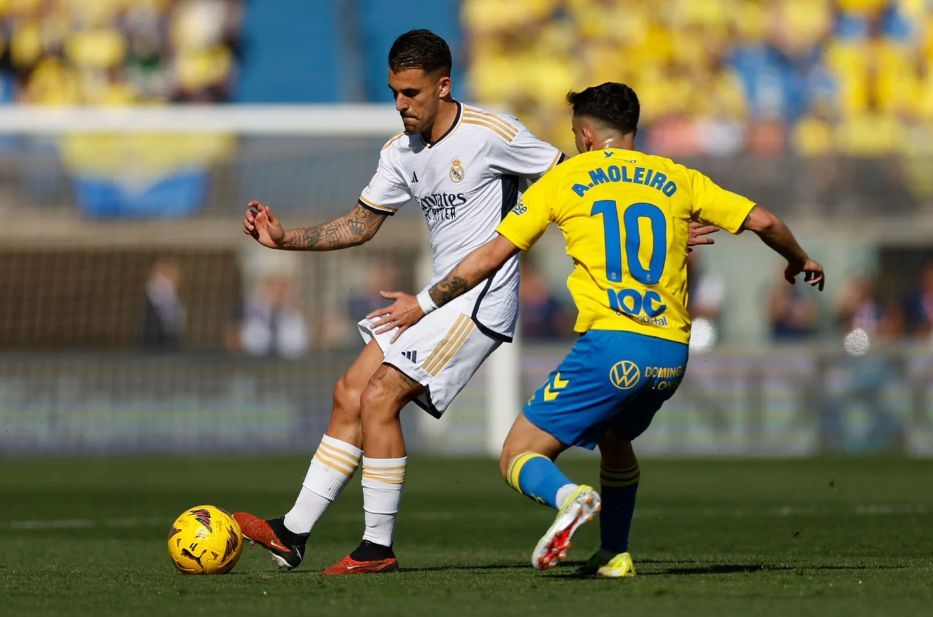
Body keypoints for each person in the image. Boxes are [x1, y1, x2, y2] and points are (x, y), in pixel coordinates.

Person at [237, 31, 713, 575]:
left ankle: (376, 548)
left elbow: (579, 180)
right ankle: (293, 532)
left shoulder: (494, 133)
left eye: (411, 93)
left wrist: (654, 220)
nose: (400, 105)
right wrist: (285, 239)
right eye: (395, 92)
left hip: (478, 301)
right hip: (433, 298)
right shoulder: (398, 152)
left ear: (443, 86)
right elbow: (361, 223)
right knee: (347, 392)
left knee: (379, 397)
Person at [368, 82, 825, 576]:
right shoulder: (677, 177)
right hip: (671, 353)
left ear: (585, 136)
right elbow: (765, 220)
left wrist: (425, 301)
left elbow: (490, 256)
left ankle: (571, 498)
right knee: (613, 439)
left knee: (518, 454)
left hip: (612, 346)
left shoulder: (567, 179)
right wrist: (798, 260)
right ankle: (615, 553)